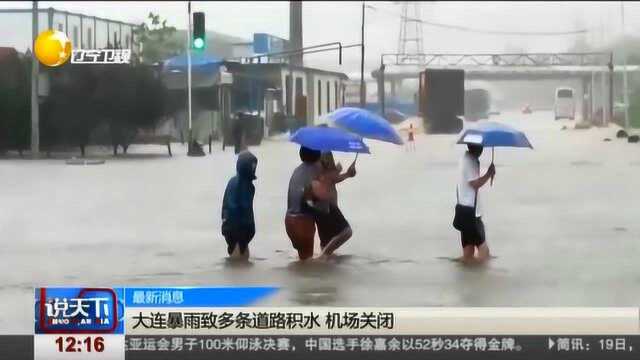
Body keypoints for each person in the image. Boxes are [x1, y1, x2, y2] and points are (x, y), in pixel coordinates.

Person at [311, 152, 356, 260]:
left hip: (319, 208)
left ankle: (325, 259)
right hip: (329, 208)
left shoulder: (318, 174)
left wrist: (345, 173)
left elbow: (334, 178)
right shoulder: (327, 174)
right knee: (346, 232)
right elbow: (333, 178)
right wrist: (346, 173)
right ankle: (323, 256)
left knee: (326, 240)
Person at [455, 144, 495, 263]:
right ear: (478, 148)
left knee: (468, 254)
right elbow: (475, 184)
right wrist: (489, 174)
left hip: (463, 209)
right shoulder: (470, 161)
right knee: (484, 253)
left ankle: (467, 279)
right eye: (481, 146)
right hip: (471, 214)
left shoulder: (466, 158)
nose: (482, 149)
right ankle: (480, 280)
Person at [285, 146, 323, 261]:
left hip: (289, 220)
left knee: (302, 260)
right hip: (303, 223)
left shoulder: (297, 170)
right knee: (308, 264)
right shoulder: (317, 170)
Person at [221, 151, 258, 261]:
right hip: (238, 229)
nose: (254, 169)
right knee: (238, 260)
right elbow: (243, 209)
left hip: (230, 226)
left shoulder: (233, 181)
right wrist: (246, 231)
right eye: (253, 166)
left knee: (242, 258)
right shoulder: (245, 185)